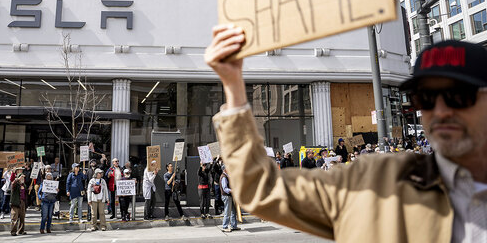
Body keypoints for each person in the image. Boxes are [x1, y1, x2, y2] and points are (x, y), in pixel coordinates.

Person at [206, 29, 487, 241]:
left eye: (457, 96)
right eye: (425, 97)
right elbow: (261, 189)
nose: (440, 111)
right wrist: (233, 86)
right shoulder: (375, 182)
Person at [219, 166, 239, 233]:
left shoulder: (227, 176)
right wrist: (232, 190)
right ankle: (225, 226)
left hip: (230, 196)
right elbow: (225, 188)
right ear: (225, 169)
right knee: (227, 212)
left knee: (233, 211)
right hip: (227, 196)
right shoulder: (224, 177)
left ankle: (234, 226)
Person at [10, 170, 27, 236]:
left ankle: (21, 230)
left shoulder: (24, 185)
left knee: (22, 218)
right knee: (14, 217)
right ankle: (13, 231)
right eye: (21, 178)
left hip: (22, 202)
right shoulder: (15, 185)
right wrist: (18, 178)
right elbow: (13, 183)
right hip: (15, 203)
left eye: (23, 178)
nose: (22, 179)